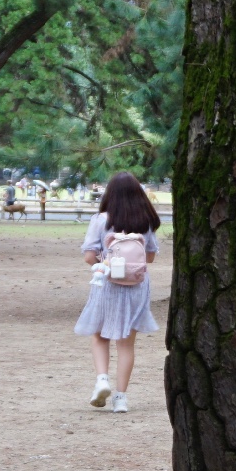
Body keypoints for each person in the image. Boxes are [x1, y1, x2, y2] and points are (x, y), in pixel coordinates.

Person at [75, 172, 161, 412]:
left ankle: (102, 379)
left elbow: (89, 256)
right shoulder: (144, 221)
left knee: (100, 336)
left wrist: (106, 264)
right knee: (126, 344)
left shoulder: (101, 220)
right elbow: (151, 256)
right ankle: (121, 398)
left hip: (107, 284)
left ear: (109, 194)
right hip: (137, 286)